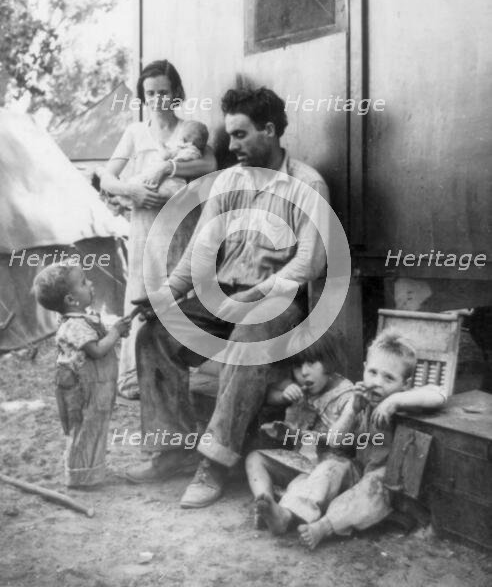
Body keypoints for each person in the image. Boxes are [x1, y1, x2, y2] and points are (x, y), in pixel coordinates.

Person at [125, 86, 330, 509]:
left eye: (240, 134)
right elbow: (200, 254)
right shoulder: (229, 181)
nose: (230, 145)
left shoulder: (307, 183)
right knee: (155, 334)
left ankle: (214, 464)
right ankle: (173, 448)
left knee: (250, 332)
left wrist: (255, 293)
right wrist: (165, 296)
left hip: (277, 304)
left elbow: (310, 263)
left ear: (269, 131)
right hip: (223, 297)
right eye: (230, 135)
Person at [101, 60, 216, 399]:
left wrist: (170, 165)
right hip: (145, 223)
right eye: (150, 93)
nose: (157, 99)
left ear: (176, 93)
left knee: (179, 289)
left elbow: (209, 164)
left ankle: (180, 371)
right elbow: (107, 177)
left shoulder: (190, 130)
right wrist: (131, 191)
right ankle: (137, 375)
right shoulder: (135, 133)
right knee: (143, 287)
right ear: (143, 96)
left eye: (163, 92)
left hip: (180, 223)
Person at [291, 330, 447, 550]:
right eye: (372, 372)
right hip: (359, 467)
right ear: (364, 368)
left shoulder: (406, 401)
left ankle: (324, 527)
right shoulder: (359, 398)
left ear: (405, 383)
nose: (377, 382)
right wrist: (352, 411)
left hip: (388, 480)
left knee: (371, 488)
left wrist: (395, 401)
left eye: (389, 378)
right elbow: (334, 441)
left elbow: (439, 393)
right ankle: (294, 511)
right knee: (331, 467)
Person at [33, 263, 132, 487]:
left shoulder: (82, 319)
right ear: (70, 299)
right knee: (84, 428)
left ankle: (90, 471)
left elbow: (100, 338)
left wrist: (115, 330)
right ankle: (81, 475)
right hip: (82, 389)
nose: (91, 284)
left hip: (91, 387)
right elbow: (96, 351)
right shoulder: (75, 325)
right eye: (84, 283)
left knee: (91, 427)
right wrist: (116, 333)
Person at [245, 328, 354, 533]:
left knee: (319, 476)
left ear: (329, 362)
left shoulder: (346, 394)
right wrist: (284, 396)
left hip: (328, 465)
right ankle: (265, 501)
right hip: (301, 461)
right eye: (297, 367)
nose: (303, 373)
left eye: (311, 363)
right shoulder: (302, 389)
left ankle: (284, 517)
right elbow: (268, 395)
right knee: (255, 459)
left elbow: (344, 440)